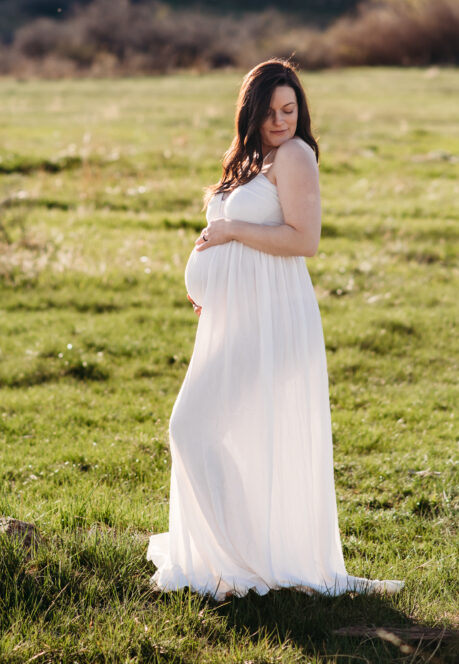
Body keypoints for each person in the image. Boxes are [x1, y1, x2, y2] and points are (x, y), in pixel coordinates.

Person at [147, 58, 403, 600]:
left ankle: (249, 564)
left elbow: (302, 239)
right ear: (252, 113)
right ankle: (252, 557)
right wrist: (211, 285)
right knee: (218, 435)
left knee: (191, 428)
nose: (282, 120)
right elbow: (225, 237)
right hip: (235, 316)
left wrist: (231, 230)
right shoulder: (248, 159)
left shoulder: (295, 155)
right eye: (270, 112)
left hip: (272, 319)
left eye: (290, 109)